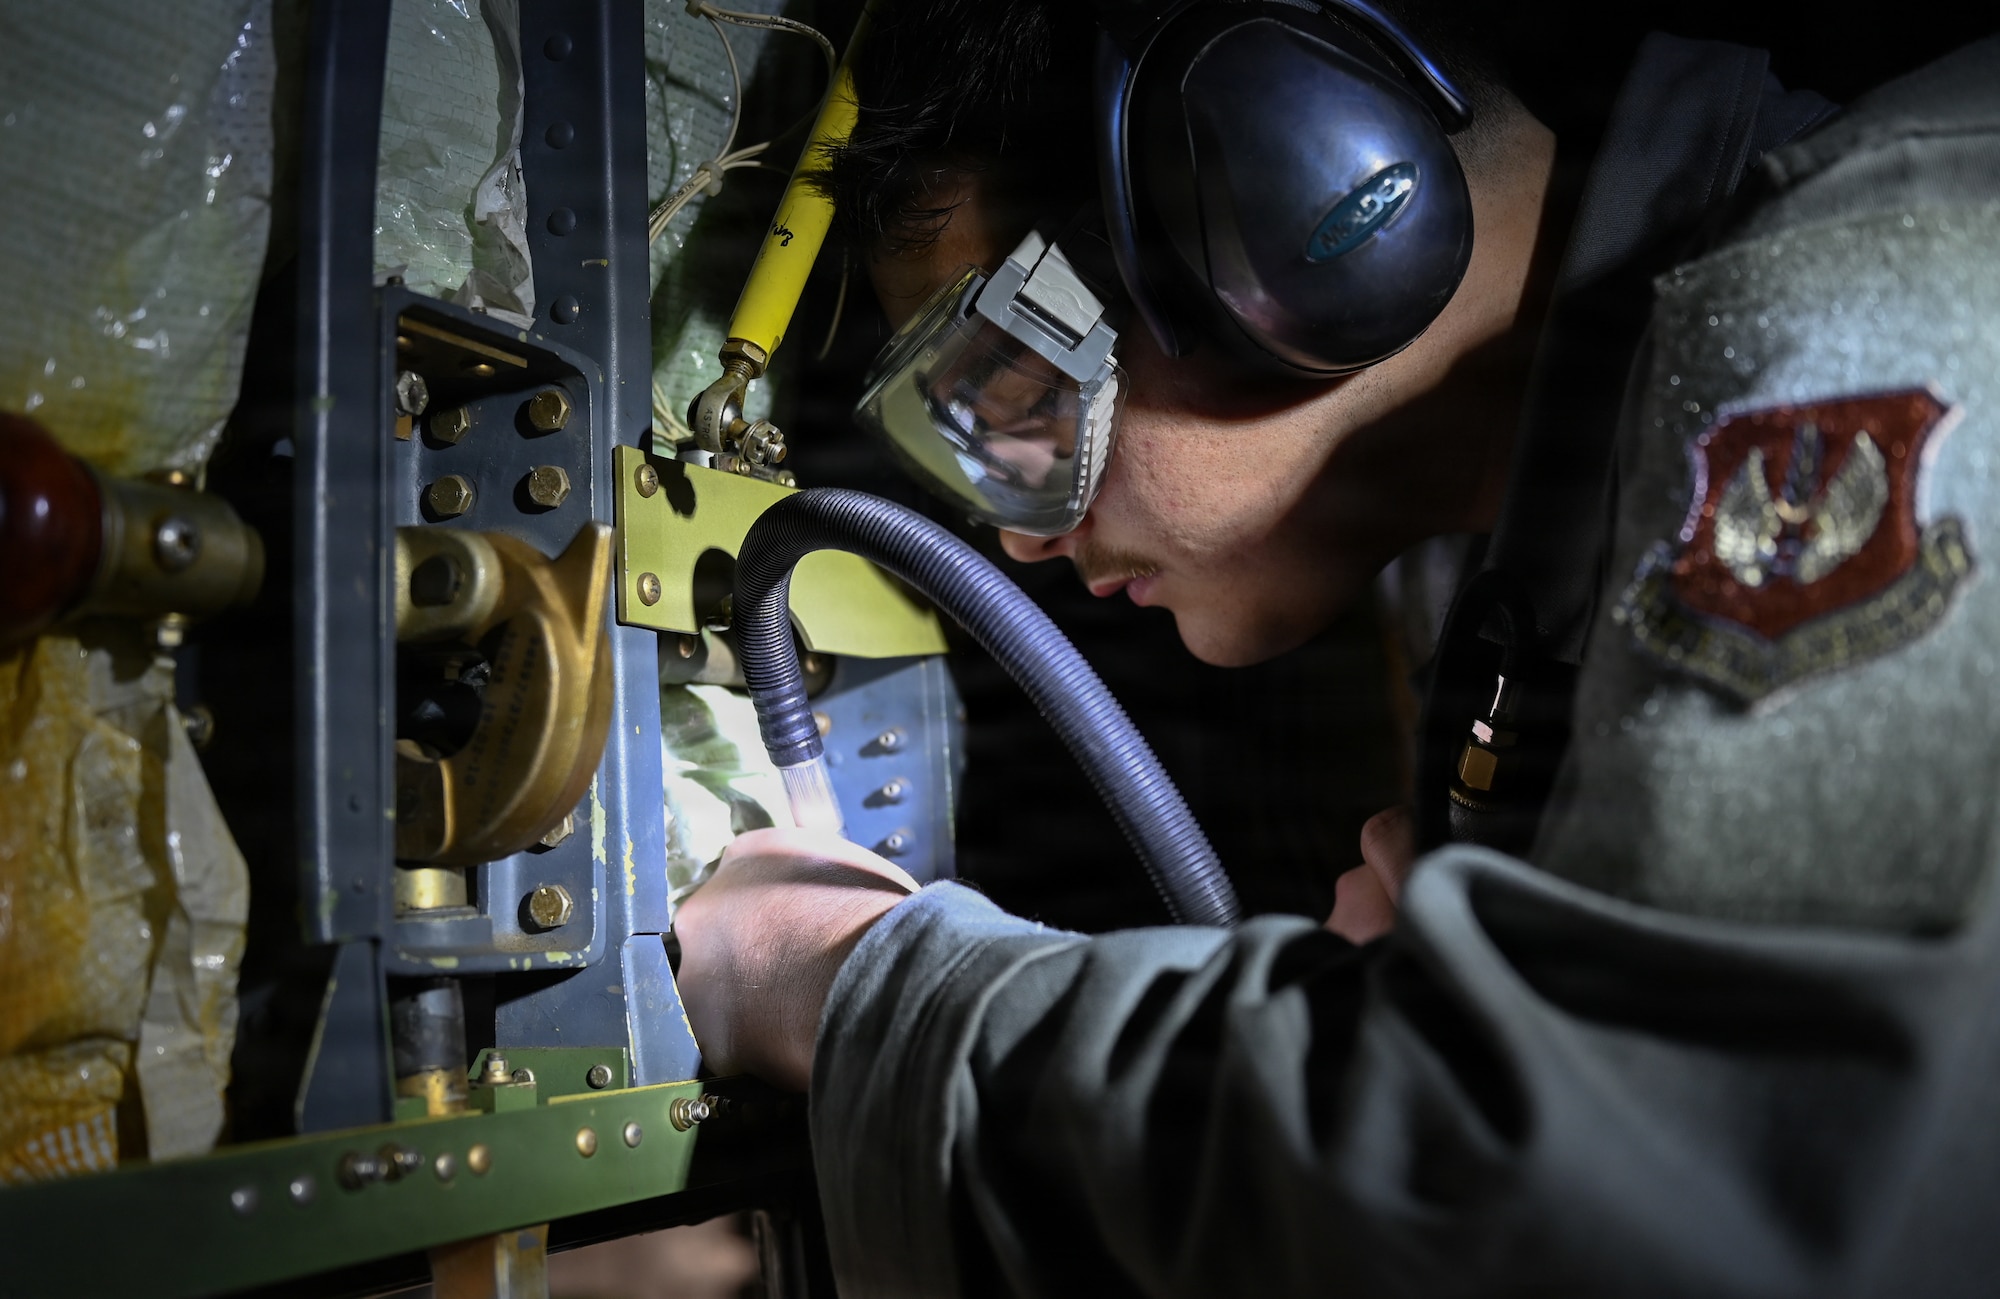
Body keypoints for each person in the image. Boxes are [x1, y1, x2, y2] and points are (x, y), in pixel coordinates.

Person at [677, 0, 2000, 1292]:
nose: (1023, 544)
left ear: (1293, 195)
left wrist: (839, 981)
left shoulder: (1885, 289)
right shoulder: (1500, 558)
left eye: (1016, 396)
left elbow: (1617, 1196)